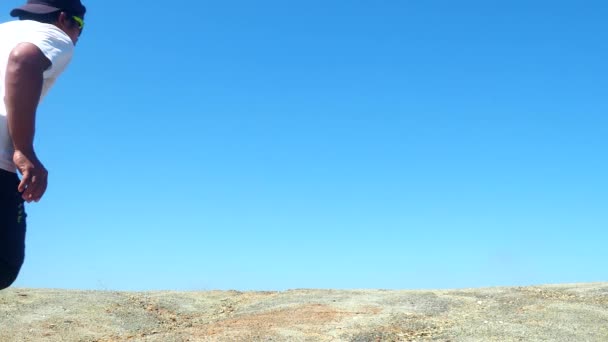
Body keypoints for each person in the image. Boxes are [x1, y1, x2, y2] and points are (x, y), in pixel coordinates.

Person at [0, 0, 86, 290]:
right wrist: (23, 150)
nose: (78, 36)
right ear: (64, 19)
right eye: (81, 27)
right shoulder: (54, 36)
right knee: (4, 263)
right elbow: (24, 60)